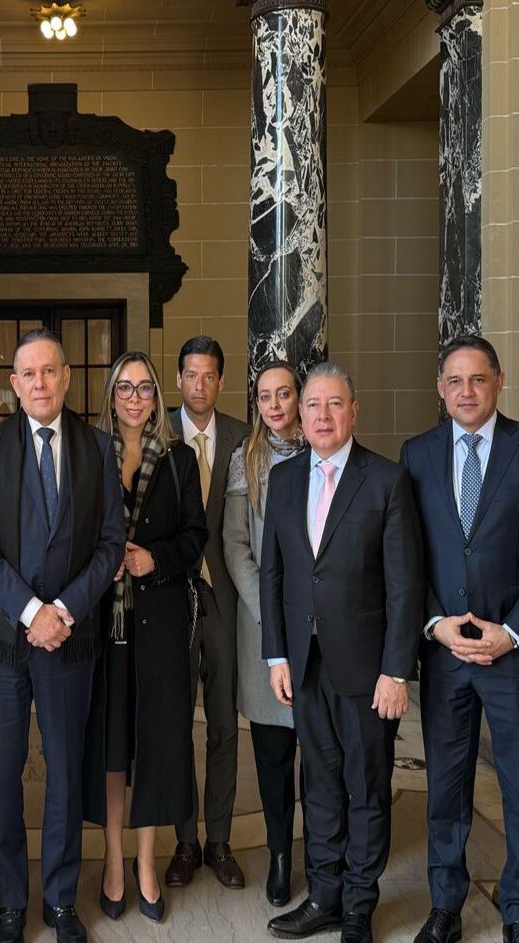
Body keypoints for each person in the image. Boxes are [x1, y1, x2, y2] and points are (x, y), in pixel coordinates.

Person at [400, 336, 519, 943]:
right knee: (445, 787)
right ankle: (445, 904)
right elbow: (407, 559)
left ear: (499, 382)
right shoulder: (417, 455)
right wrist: (434, 624)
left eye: (478, 379)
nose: (466, 391)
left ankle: (518, 914)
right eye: (455, 381)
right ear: (440, 389)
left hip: (514, 657)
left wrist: (513, 632)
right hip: (446, 654)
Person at [0, 328, 123, 943]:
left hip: (71, 639)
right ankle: (11, 901)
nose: (39, 383)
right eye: (27, 374)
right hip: (9, 640)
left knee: (63, 770)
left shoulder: (97, 446)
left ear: (66, 376)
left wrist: (64, 610)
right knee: (4, 774)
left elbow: (111, 542)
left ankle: (59, 901)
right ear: (13, 383)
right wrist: (33, 611)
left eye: (49, 371)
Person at [259, 363, 424, 943]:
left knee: (366, 785)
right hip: (303, 665)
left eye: (334, 405)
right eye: (312, 406)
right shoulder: (281, 481)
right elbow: (273, 576)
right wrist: (276, 656)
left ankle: (359, 905)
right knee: (320, 785)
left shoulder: (385, 479)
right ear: (299, 417)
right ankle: (324, 896)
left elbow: (405, 584)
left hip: (367, 670)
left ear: (354, 411)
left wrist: (395, 670)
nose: (322, 416)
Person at [83, 352, 208, 924]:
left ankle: (146, 863)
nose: (135, 398)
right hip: (101, 627)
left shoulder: (180, 461)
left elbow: (195, 538)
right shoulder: (87, 457)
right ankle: (112, 861)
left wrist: (151, 559)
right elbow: (69, 533)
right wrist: (98, 564)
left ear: (158, 398)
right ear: (112, 397)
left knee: (154, 747)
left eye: (145, 389)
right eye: (124, 388)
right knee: (112, 751)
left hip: (157, 624)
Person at [164, 335, 251, 891]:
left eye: (209, 376)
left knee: (223, 724)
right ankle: (184, 843)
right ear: (179, 379)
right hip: (169, 598)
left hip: (222, 595)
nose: (199, 385)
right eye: (190, 375)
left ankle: (218, 840)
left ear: (221, 380)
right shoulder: (157, 431)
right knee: (175, 727)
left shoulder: (244, 436)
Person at [221, 360, 306, 908]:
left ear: (301, 396)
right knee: (274, 757)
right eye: (265, 397)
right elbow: (235, 546)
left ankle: (325, 855)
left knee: (322, 760)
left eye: (284, 394)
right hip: (262, 629)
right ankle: (279, 856)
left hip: (321, 628)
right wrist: (269, 613)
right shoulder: (244, 459)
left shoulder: (327, 446)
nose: (274, 405)